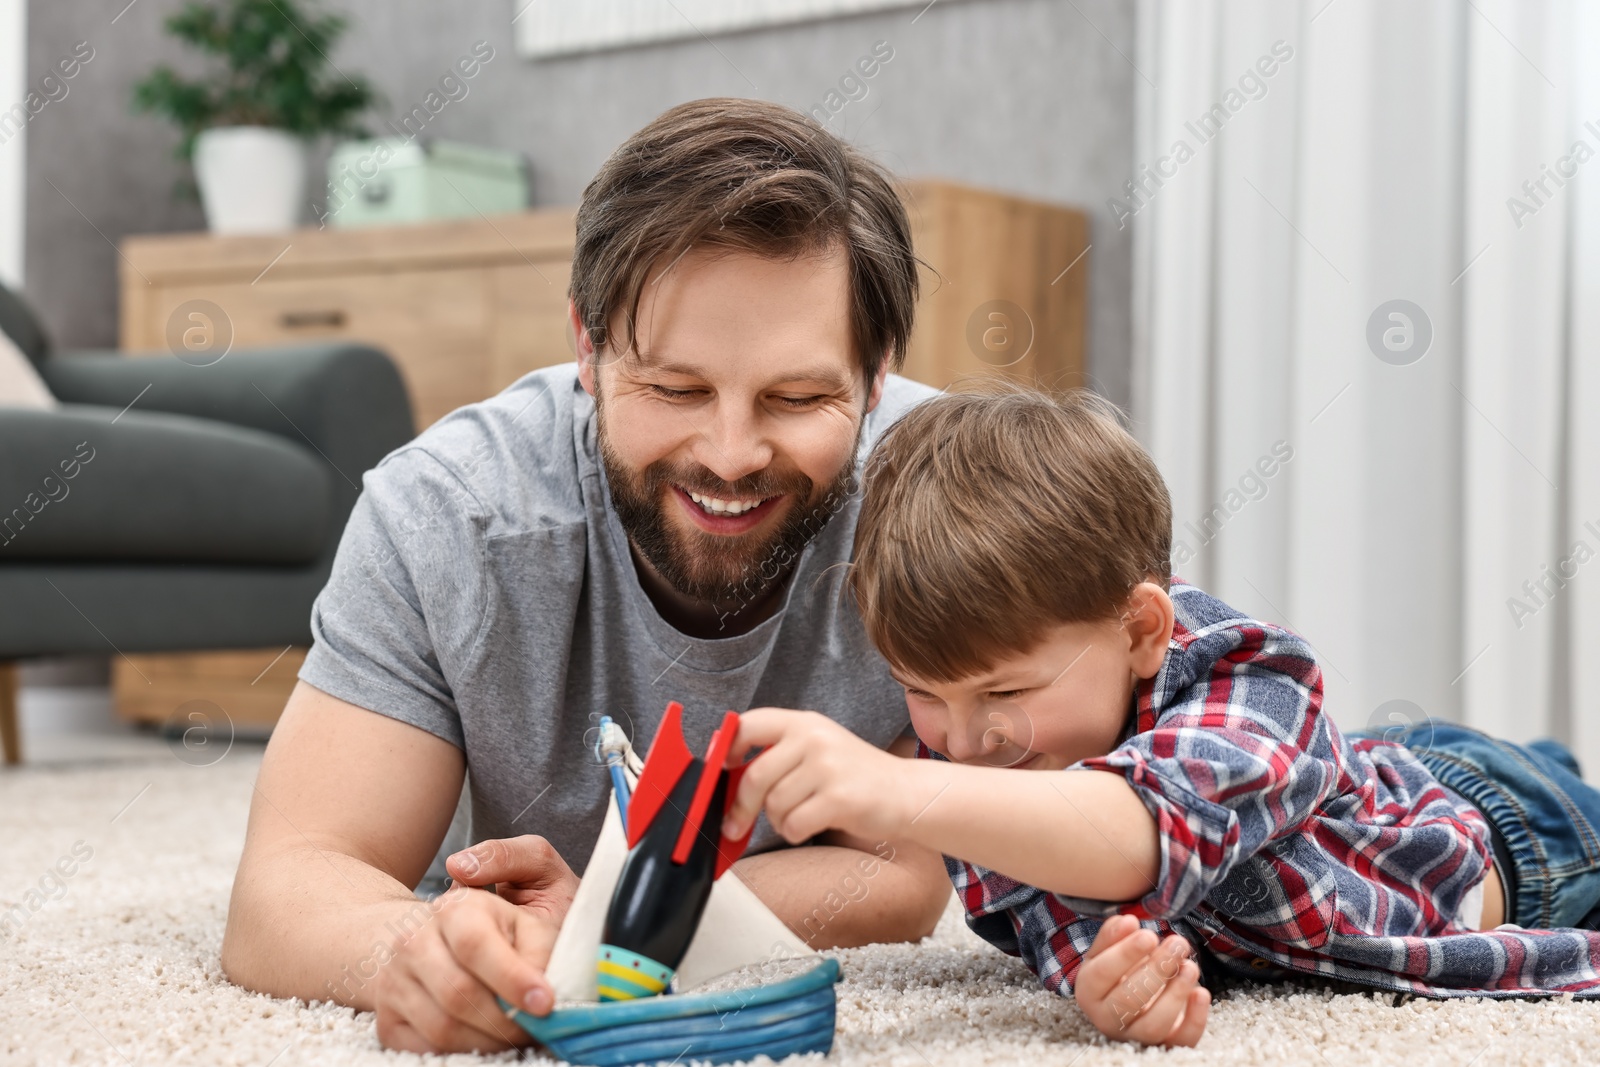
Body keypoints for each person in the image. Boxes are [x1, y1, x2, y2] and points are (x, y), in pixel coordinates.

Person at [219, 98, 953, 1054]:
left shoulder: (949, 511)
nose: (730, 455)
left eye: (799, 396)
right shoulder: (445, 514)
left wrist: (602, 918)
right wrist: (425, 948)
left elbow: (903, 878)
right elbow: (288, 883)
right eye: (675, 388)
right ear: (587, 344)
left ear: (880, 372)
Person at [720, 384, 1600, 1047]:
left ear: (1141, 628)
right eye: (922, 691)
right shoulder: (994, 779)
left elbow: (1139, 825)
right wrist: (1113, 984)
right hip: (1326, 814)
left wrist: (891, 786)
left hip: (1508, 829)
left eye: (1006, 692)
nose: (960, 739)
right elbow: (1073, 926)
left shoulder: (1249, 671)